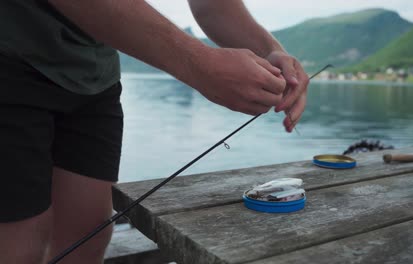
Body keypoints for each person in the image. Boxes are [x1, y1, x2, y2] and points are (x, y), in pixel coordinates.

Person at [0, 0, 309, 263]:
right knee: (18, 247)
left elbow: (213, 5)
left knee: (86, 241)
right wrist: (198, 63)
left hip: (94, 75)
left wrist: (271, 51)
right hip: (10, 57)